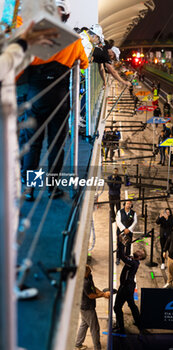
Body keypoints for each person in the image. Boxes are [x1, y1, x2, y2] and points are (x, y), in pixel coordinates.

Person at [0, 23, 58, 299]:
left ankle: (36, 187)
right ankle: (37, 187)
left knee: (38, 150)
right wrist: (22, 43)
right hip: (23, 138)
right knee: (38, 150)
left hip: (26, 132)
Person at [18, 2, 89, 201]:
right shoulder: (72, 39)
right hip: (60, 98)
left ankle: (29, 188)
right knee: (57, 144)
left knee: (33, 144)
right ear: (65, 16)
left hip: (35, 96)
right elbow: (84, 63)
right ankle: (53, 188)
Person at [74, 265, 110, 350]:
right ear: (83, 273)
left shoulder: (88, 276)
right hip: (87, 308)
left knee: (84, 324)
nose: (90, 273)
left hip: (84, 306)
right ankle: (97, 348)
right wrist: (103, 295)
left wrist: (102, 293)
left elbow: (93, 288)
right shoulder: (84, 282)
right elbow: (91, 295)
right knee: (95, 329)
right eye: (89, 272)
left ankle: (78, 344)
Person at [113, 245, 146, 334]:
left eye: (140, 252)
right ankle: (139, 323)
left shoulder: (133, 263)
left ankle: (121, 328)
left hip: (126, 288)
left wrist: (121, 243)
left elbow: (122, 257)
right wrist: (123, 245)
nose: (138, 250)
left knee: (117, 307)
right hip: (129, 286)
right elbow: (124, 255)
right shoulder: (132, 259)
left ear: (140, 257)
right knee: (132, 305)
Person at [116, 200, 137, 265]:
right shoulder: (119, 212)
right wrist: (124, 229)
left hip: (129, 232)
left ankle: (127, 257)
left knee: (128, 245)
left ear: (131, 206)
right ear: (124, 204)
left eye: (130, 204)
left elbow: (135, 222)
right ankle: (118, 258)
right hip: (121, 232)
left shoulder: (134, 213)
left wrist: (129, 229)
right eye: (127, 204)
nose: (128, 205)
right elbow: (118, 221)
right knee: (120, 245)